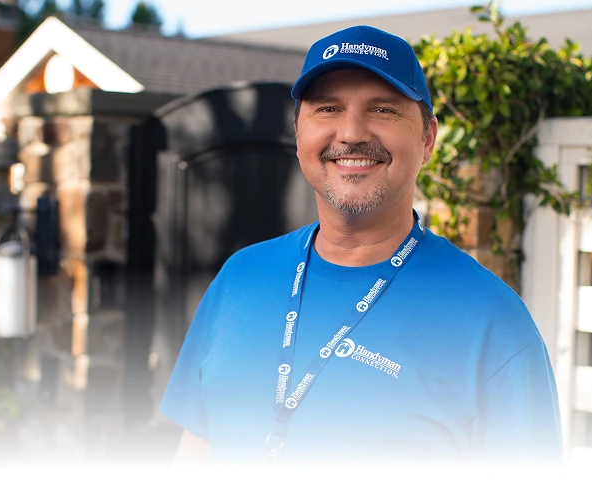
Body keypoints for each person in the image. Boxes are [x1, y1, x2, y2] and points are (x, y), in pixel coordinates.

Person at [159, 24, 562, 467]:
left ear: (427, 139)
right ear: (298, 132)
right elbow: (195, 454)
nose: (351, 133)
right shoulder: (239, 278)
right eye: (328, 108)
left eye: (383, 110)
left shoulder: (494, 324)